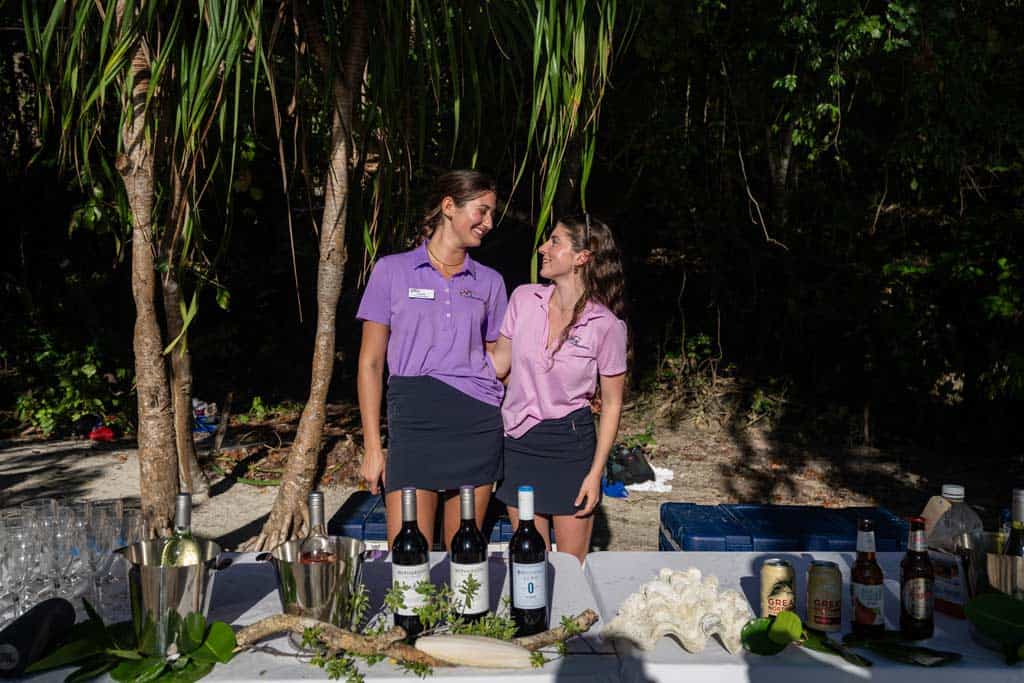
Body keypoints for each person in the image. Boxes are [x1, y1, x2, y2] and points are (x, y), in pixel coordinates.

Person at [356, 170, 507, 548]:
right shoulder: (392, 271)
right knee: (409, 558)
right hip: (413, 421)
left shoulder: (491, 282)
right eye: (482, 211)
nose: (488, 224)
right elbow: (371, 364)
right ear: (448, 206)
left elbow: (499, 361)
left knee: (465, 558)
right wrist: (374, 447)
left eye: (492, 215)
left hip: (476, 423)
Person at [489, 214, 628, 562]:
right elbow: (498, 364)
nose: (542, 248)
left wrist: (596, 474)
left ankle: (566, 618)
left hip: (570, 447)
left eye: (554, 242)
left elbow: (611, 405)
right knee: (527, 560)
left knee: (568, 566)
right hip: (518, 442)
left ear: (582, 256)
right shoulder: (523, 298)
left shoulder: (606, 325)